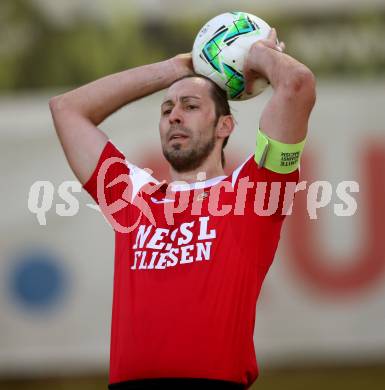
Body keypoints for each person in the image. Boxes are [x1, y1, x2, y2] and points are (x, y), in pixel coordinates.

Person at [49, 28, 316, 390]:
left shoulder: (254, 194)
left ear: (225, 126)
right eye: (167, 109)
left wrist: (254, 53)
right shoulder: (135, 201)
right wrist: (178, 68)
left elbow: (297, 84)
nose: (174, 116)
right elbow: (66, 109)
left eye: (190, 106)